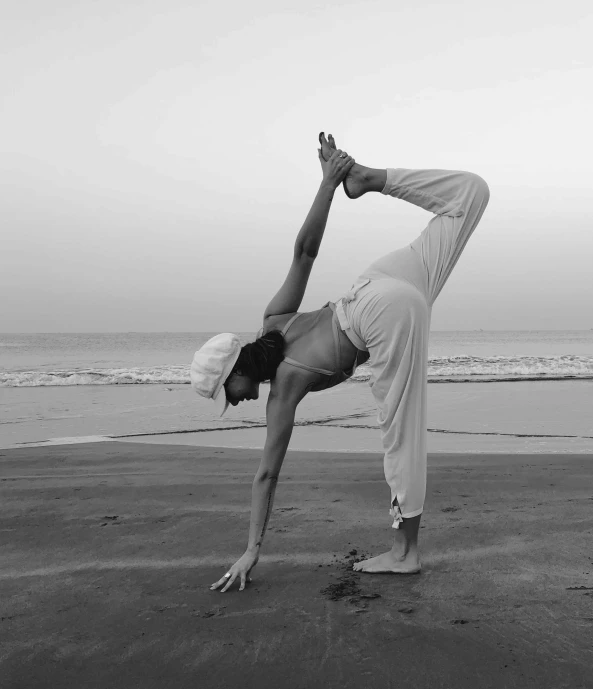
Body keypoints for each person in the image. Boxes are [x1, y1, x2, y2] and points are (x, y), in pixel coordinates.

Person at [192, 133, 490, 592]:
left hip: (380, 313)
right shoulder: (275, 320)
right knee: (470, 195)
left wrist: (253, 549)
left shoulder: (284, 390)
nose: (234, 403)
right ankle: (369, 179)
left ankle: (405, 553)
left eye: (226, 394)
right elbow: (304, 253)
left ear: (234, 371)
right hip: (380, 280)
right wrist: (331, 184)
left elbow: (266, 474)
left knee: (400, 428)